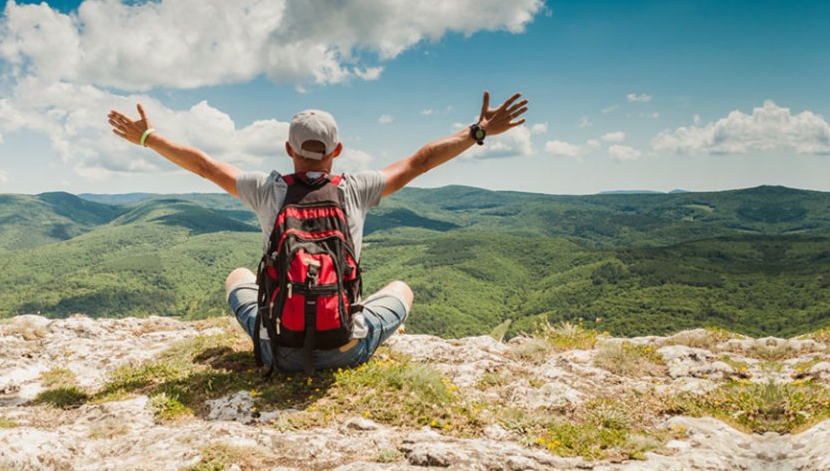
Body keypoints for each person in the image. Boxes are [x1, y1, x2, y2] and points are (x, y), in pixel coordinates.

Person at [107, 90, 528, 372]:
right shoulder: (357, 189)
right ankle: (350, 332)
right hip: (346, 348)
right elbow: (420, 161)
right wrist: (479, 132)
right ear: (337, 152)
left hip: (277, 351)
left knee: (237, 277)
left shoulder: (266, 189)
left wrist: (147, 137)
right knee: (401, 287)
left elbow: (203, 165)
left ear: (288, 150)